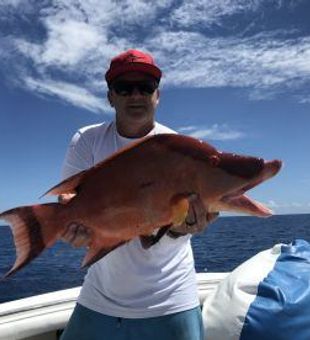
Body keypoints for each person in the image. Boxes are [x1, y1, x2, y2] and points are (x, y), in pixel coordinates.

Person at [59, 49, 218, 340]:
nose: (136, 95)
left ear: (157, 95)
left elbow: (179, 220)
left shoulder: (180, 149)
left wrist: (182, 228)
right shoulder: (87, 140)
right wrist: (73, 224)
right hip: (99, 296)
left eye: (145, 87)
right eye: (124, 87)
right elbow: (67, 199)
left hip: (171, 299)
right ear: (110, 96)